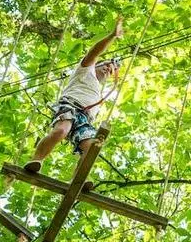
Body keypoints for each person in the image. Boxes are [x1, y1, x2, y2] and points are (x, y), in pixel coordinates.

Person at [23, 15, 123, 173]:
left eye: (110, 70)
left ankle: (78, 179)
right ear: (96, 65)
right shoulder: (85, 69)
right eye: (104, 65)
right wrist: (112, 36)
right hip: (70, 106)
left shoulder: (99, 91)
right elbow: (94, 53)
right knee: (61, 130)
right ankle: (36, 159)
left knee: (91, 146)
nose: (107, 69)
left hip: (85, 118)